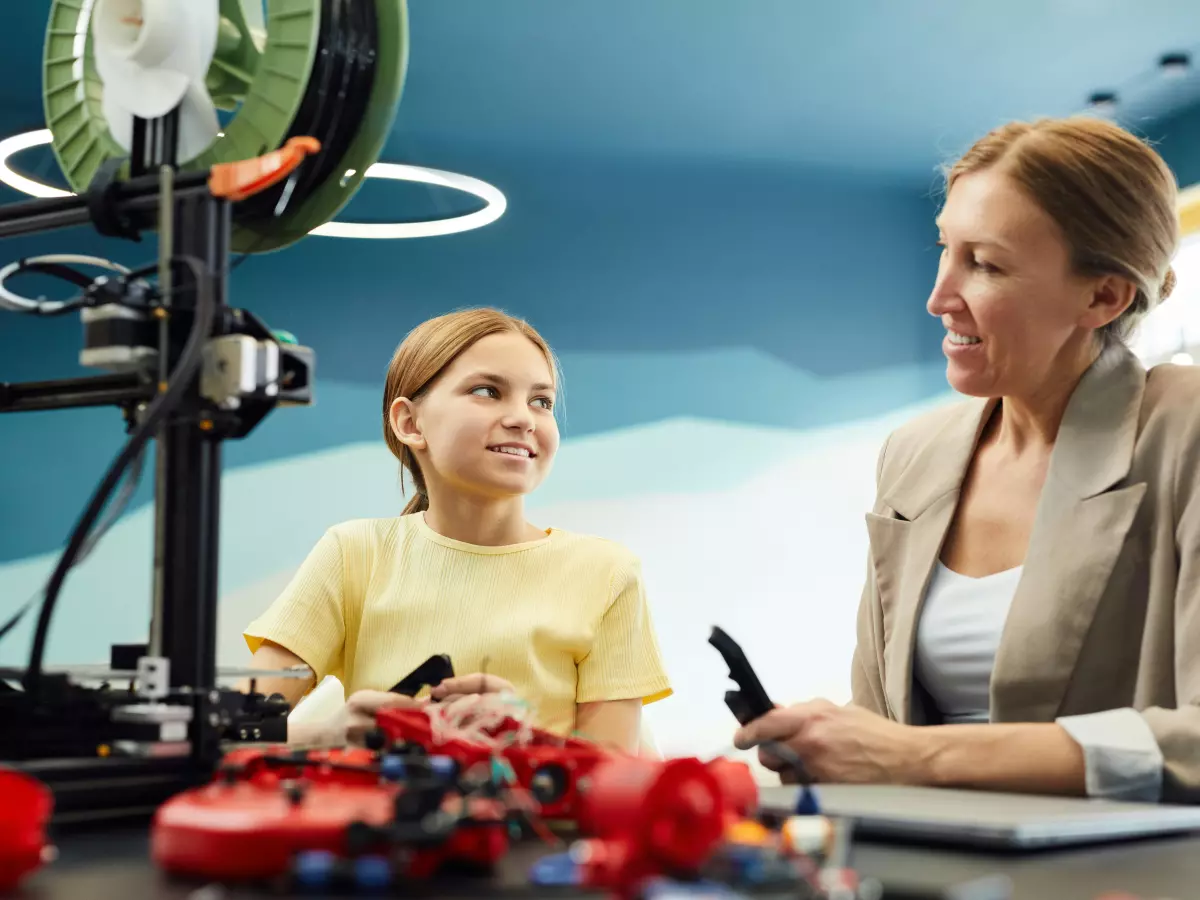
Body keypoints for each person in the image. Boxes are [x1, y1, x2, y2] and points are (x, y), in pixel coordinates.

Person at [734, 115, 1200, 804]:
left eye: (984, 264)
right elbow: (885, 721)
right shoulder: (915, 455)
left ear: (1103, 296)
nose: (937, 298)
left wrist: (919, 755)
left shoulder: (1183, 430)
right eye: (944, 249)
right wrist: (834, 747)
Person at [243, 307, 672, 751]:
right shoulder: (352, 553)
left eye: (541, 401)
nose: (524, 418)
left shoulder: (607, 571)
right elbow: (230, 730)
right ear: (409, 423)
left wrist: (521, 739)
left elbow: (614, 781)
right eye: (488, 391)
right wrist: (324, 734)